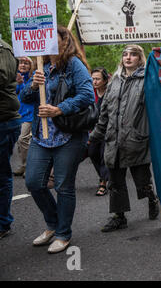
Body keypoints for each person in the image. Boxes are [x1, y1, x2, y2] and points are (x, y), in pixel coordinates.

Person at [20, 25, 95, 253]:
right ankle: (53, 224)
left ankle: (63, 233)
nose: (48, 41)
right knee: (33, 182)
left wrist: (59, 109)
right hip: (42, 136)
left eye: (54, 37)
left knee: (63, 186)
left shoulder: (74, 65)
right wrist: (33, 84)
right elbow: (25, 97)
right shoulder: (41, 66)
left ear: (65, 42)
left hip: (69, 136)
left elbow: (87, 95)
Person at [89, 44, 159, 232]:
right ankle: (119, 217)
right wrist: (96, 135)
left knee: (142, 182)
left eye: (133, 55)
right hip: (113, 140)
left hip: (135, 139)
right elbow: (105, 113)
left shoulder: (147, 79)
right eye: (125, 54)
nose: (128, 58)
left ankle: (152, 199)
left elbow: (157, 104)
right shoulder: (114, 81)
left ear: (140, 59)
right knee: (115, 181)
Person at [0, 38, 21, 239]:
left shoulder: (2, 48)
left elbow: (3, 76)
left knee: (1, 175)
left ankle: (2, 223)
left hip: (4, 121)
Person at [88, 67, 110, 196]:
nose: (94, 82)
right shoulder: (90, 93)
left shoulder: (110, 93)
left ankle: (103, 182)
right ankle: (103, 176)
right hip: (94, 130)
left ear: (105, 80)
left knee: (105, 155)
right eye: (93, 79)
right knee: (92, 152)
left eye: (97, 79)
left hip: (108, 130)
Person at [13, 56, 35, 178]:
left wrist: (21, 84)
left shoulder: (32, 77)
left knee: (23, 139)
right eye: (21, 63)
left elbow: (27, 94)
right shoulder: (14, 77)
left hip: (29, 114)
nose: (23, 65)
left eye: (26, 63)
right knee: (19, 141)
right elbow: (13, 92)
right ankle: (23, 165)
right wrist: (17, 83)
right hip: (17, 113)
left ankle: (29, 166)